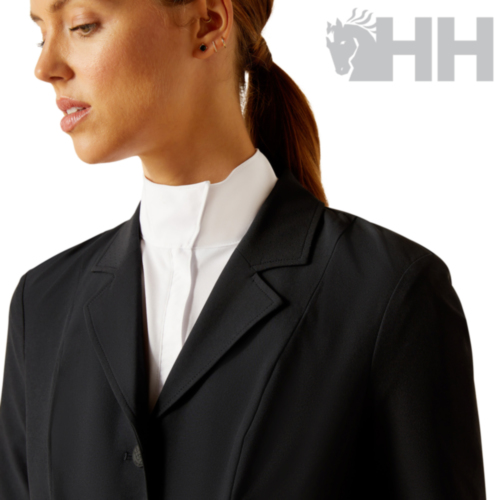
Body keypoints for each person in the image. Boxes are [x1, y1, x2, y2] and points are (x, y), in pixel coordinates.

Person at [0, 0, 486, 498]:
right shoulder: (41, 309)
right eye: (41, 33)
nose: (45, 67)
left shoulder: (388, 295)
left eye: (82, 26)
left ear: (207, 23)